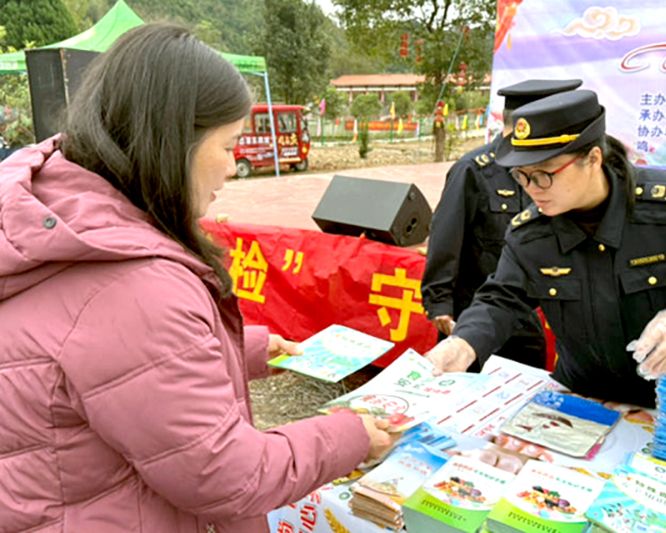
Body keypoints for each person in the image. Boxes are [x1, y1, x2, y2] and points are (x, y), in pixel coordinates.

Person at [0, 24, 397, 532]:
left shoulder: (58, 215)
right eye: (229, 145)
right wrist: (350, 436)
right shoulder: (133, 283)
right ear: (171, 142)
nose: (233, 168)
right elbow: (227, 475)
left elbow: (102, 360)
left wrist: (249, 347)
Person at [424, 89, 666, 407]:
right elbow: (502, 298)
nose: (532, 189)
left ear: (593, 158)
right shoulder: (532, 231)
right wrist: (464, 343)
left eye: (544, 174)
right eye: (521, 176)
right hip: (585, 400)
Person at [421, 79, 582, 371]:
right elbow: (446, 238)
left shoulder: (560, 175)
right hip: (471, 315)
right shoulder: (474, 170)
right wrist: (439, 304)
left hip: (522, 316)